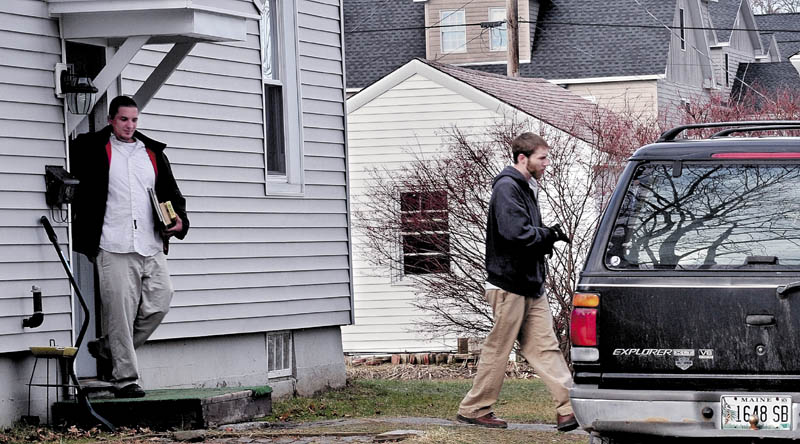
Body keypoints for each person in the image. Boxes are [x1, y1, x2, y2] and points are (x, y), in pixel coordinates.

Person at [456, 132, 577, 431]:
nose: (547, 163)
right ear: (523, 158)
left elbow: (525, 233)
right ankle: (474, 408)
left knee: (545, 347)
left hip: (529, 284)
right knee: (499, 348)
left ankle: (569, 409)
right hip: (509, 284)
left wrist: (545, 236)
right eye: (542, 158)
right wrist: (547, 235)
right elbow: (515, 233)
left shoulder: (525, 186)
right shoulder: (508, 187)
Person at [70, 95, 189, 398]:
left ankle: (109, 347)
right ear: (111, 119)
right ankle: (126, 380)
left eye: (134, 120)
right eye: (124, 119)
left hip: (150, 244)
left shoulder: (150, 153)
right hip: (113, 243)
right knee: (119, 314)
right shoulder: (92, 149)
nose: (130, 125)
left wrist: (179, 222)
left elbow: (171, 194)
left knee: (161, 301)